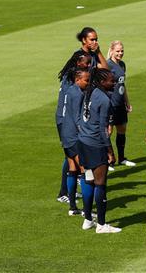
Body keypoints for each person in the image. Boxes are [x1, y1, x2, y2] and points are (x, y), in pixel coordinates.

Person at [56, 28, 108, 202]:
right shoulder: (79, 63)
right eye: (92, 39)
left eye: (96, 39)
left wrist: (99, 52)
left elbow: (106, 72)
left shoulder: (90, 58)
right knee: (77, 160)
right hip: (67, 120)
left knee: (72, 157)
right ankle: (70, 195)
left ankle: (69, 195)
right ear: (84, 40)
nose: (95, 42)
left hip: (71, 120)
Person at [78, 68, 120, 233]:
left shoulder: (90, 92)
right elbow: (104, 130)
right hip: (96, 145)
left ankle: (88, 219)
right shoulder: (104, 99)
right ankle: (102, 225)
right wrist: (110, 151)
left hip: (83, 143)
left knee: (88, 180)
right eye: (111, 80)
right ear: (102, 82)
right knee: (100, 184)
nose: (114, 83)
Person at [59, 65, 91, 216]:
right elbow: (78, 117)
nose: (88, 83)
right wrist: (85, 133)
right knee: (84, 171)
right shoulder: (78, 94)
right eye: (86, 80)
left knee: (72, 169)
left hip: (65, 134)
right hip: (73, 136)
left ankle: (72, 207)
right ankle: (86, 210)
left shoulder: (70, 89)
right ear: (78, 80)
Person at [107, 41, 135, 167]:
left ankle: (122, 158)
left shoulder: (122, 65)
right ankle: (108, 161)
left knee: (122, 129)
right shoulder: (108, 65)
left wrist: (127, 102)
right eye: (118, 51)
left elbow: (122, 85)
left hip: (120, 104)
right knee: (108, 132)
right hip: (110, 104)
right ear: (112, 50)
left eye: (122, 51)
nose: (120, 53)